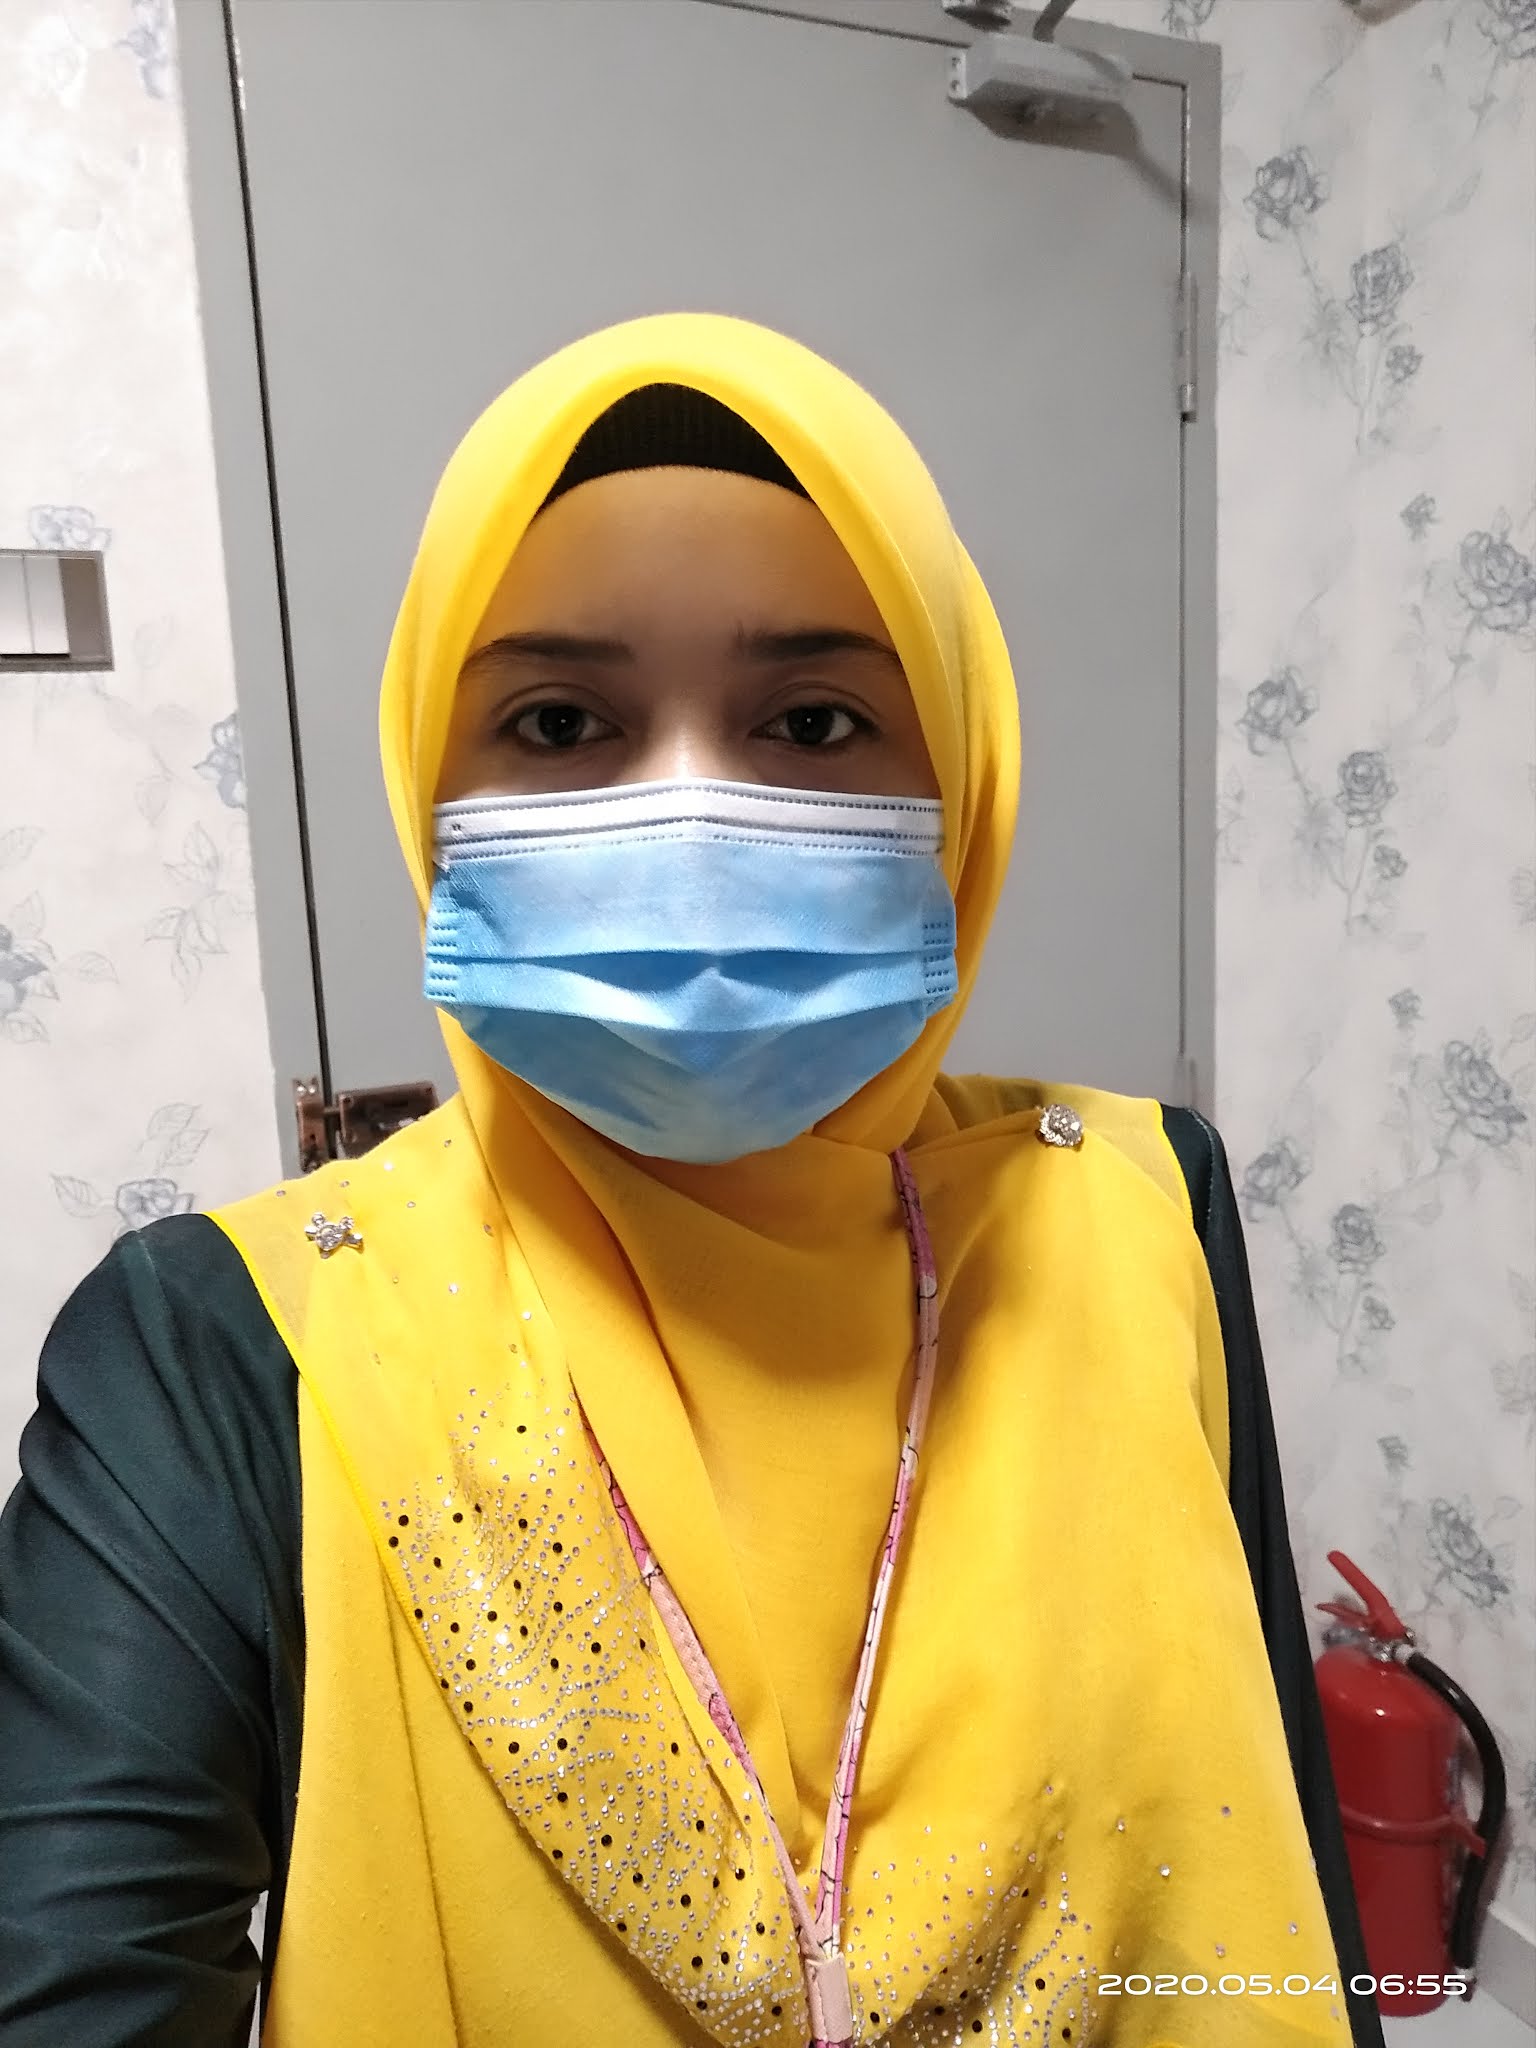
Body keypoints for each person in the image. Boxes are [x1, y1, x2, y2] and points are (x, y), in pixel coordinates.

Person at [0, 314, 1384, 2048]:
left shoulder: (1137, 1206)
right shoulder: (223, 1343)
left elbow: (1281, 1871)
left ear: (960, 783)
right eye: (559, 719)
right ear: (430, 784)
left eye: (811, 719)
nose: (690, 821)